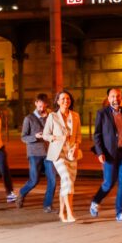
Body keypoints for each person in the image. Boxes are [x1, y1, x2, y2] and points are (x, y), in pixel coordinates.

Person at [90, 87, 122, 223]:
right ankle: (96, 201)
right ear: (108, 99)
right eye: (113, 96)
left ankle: (120, 212)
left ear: (121, 98)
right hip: (108, 153)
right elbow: (97, 135)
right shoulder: (102, 113)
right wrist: (100, 152)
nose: (116, 99)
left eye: (118, 96)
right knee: (108, 183)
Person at [43, 90, 81, 223]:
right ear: (58, 101)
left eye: (68, 99)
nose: (66, 101)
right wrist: (58, 137)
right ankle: (70, 213)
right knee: (67, 181)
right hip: (58, 153)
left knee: (67, 184)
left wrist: (76, 145)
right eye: (63, 99)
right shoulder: (52, 116)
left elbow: (78, 136)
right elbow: (45, 135)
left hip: (72, 153)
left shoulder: (75, 116)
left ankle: (61, 212)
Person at [17, 93, 57, 212]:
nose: (41, 109)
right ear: (36, 104)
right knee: (34, 180)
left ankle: (47, 205)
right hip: (34, 153)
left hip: (49, 153)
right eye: (39, 106)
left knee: (52, 179)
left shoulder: (50, 116)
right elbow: (23, 137)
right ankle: (22, 192)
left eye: (43, 106)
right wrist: (35, 136)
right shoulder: (28, 118)